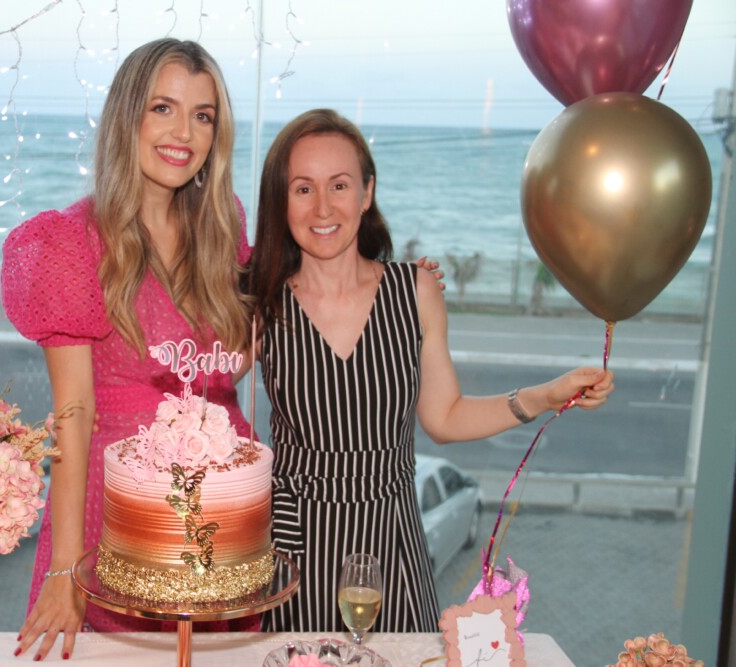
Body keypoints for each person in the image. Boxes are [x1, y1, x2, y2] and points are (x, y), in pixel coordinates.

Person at [246, 108, 616, 633]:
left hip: (390, 543)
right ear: (280, 200)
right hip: (296, 548)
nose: (323, 207)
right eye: (302, 189)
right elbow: (195, 381)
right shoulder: (261, 304)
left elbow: (445, 417)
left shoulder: (415, 291)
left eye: (340, 185)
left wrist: (544, 396)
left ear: (367, 193)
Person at [0, 38, 256, 661]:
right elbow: (73, 413)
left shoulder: (222, 228)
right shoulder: (72, 242)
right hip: (115, 510)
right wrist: (66, 569)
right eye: (162, 108)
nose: (184, 133)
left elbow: (228, 365)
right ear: (126, 117)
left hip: (214, 519)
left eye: (203, 116)